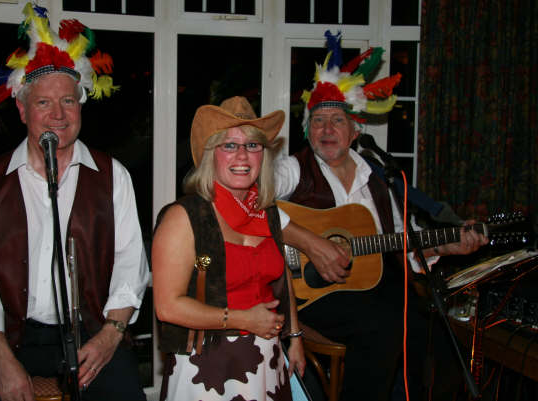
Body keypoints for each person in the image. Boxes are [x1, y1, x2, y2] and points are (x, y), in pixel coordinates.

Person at [0, 5, 149, 401]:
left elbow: (128, 264)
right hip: (10, 337)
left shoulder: (112, 175)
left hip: (92, 331)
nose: (58, 115)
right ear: (21, 109)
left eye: (68, 101)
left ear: (81, 106)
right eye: (43, 103)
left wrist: (110, 337)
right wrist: (0, 360)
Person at [275, 31, 488, 401]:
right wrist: (311, 243)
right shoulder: (293, 170)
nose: (327, 129)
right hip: (307, 294)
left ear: (356, 129)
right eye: (318, 121)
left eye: (337, 120)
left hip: (371, 291)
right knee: (384, 323)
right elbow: (249, 199)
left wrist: (450, 246)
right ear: (307, 129)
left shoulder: (377, 176)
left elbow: (404, 242)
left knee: (432, 328)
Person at [152, 96, 306, 401]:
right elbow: (167, 307)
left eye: (252, 145)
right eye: (229, 145)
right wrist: (243, 319)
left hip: (268, 360)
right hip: (208, 365)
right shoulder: (184, 217)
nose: (243, 156)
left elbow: (280, 276)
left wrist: (295, 336)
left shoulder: (268, 213)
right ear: (211, 154)